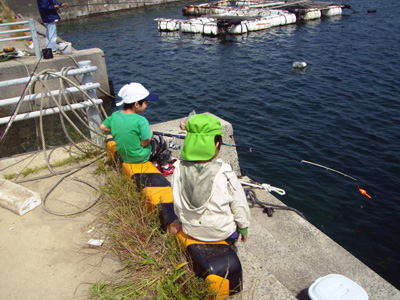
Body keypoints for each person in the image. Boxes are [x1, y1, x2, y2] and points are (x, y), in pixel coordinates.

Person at [170, 114, 250, 245]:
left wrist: (180, 221)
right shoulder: (226, 172)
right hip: (220, 232)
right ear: (217, 144)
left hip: (190, 229)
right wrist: (243, 227)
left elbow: (178, 202)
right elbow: (239, 204)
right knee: (240, 196)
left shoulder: (177, 168)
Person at [100, 82, 174, 175]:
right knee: (159, 140)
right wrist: (150, 135)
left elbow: (102, 127)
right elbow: (144, 143)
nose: (147, 104)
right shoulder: (141, 120)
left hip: (124, 156)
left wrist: (121, 129)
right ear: (136, 104)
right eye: (145, 102)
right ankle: (166, 167)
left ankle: (155, 163)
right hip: (139, 157)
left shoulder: (115, 115)